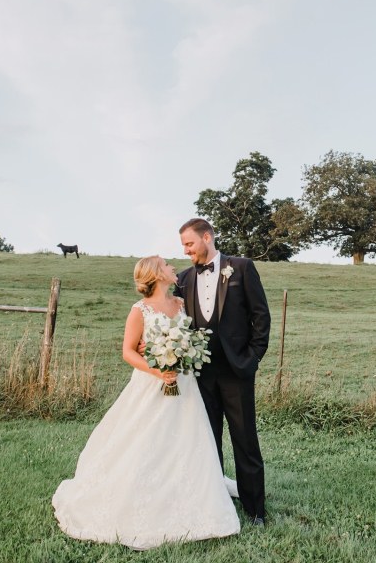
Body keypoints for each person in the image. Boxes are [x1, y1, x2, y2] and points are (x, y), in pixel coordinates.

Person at [52, 255, 240, 550]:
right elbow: (128, 351)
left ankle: (189, 494)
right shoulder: (139, 310)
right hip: (152, 384)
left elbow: (191, 338)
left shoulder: (181, 304)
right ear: (156, 274)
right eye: (166, 265)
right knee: (145, 439)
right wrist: (158, 370)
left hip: (184, 384)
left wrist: (185, 354)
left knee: (187, 440)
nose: (172, 268)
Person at [174, 218, 271, 526]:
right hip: (200, 376)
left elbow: (261, 317)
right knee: (207, 441)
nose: (187, 251)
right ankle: (213, 504)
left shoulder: (241, 267)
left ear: (207, 237)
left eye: (189, 244)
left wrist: (252, 358)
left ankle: (255, 510)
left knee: (245, 440)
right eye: (183, 246)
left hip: (237, 372)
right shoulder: (183, 278)